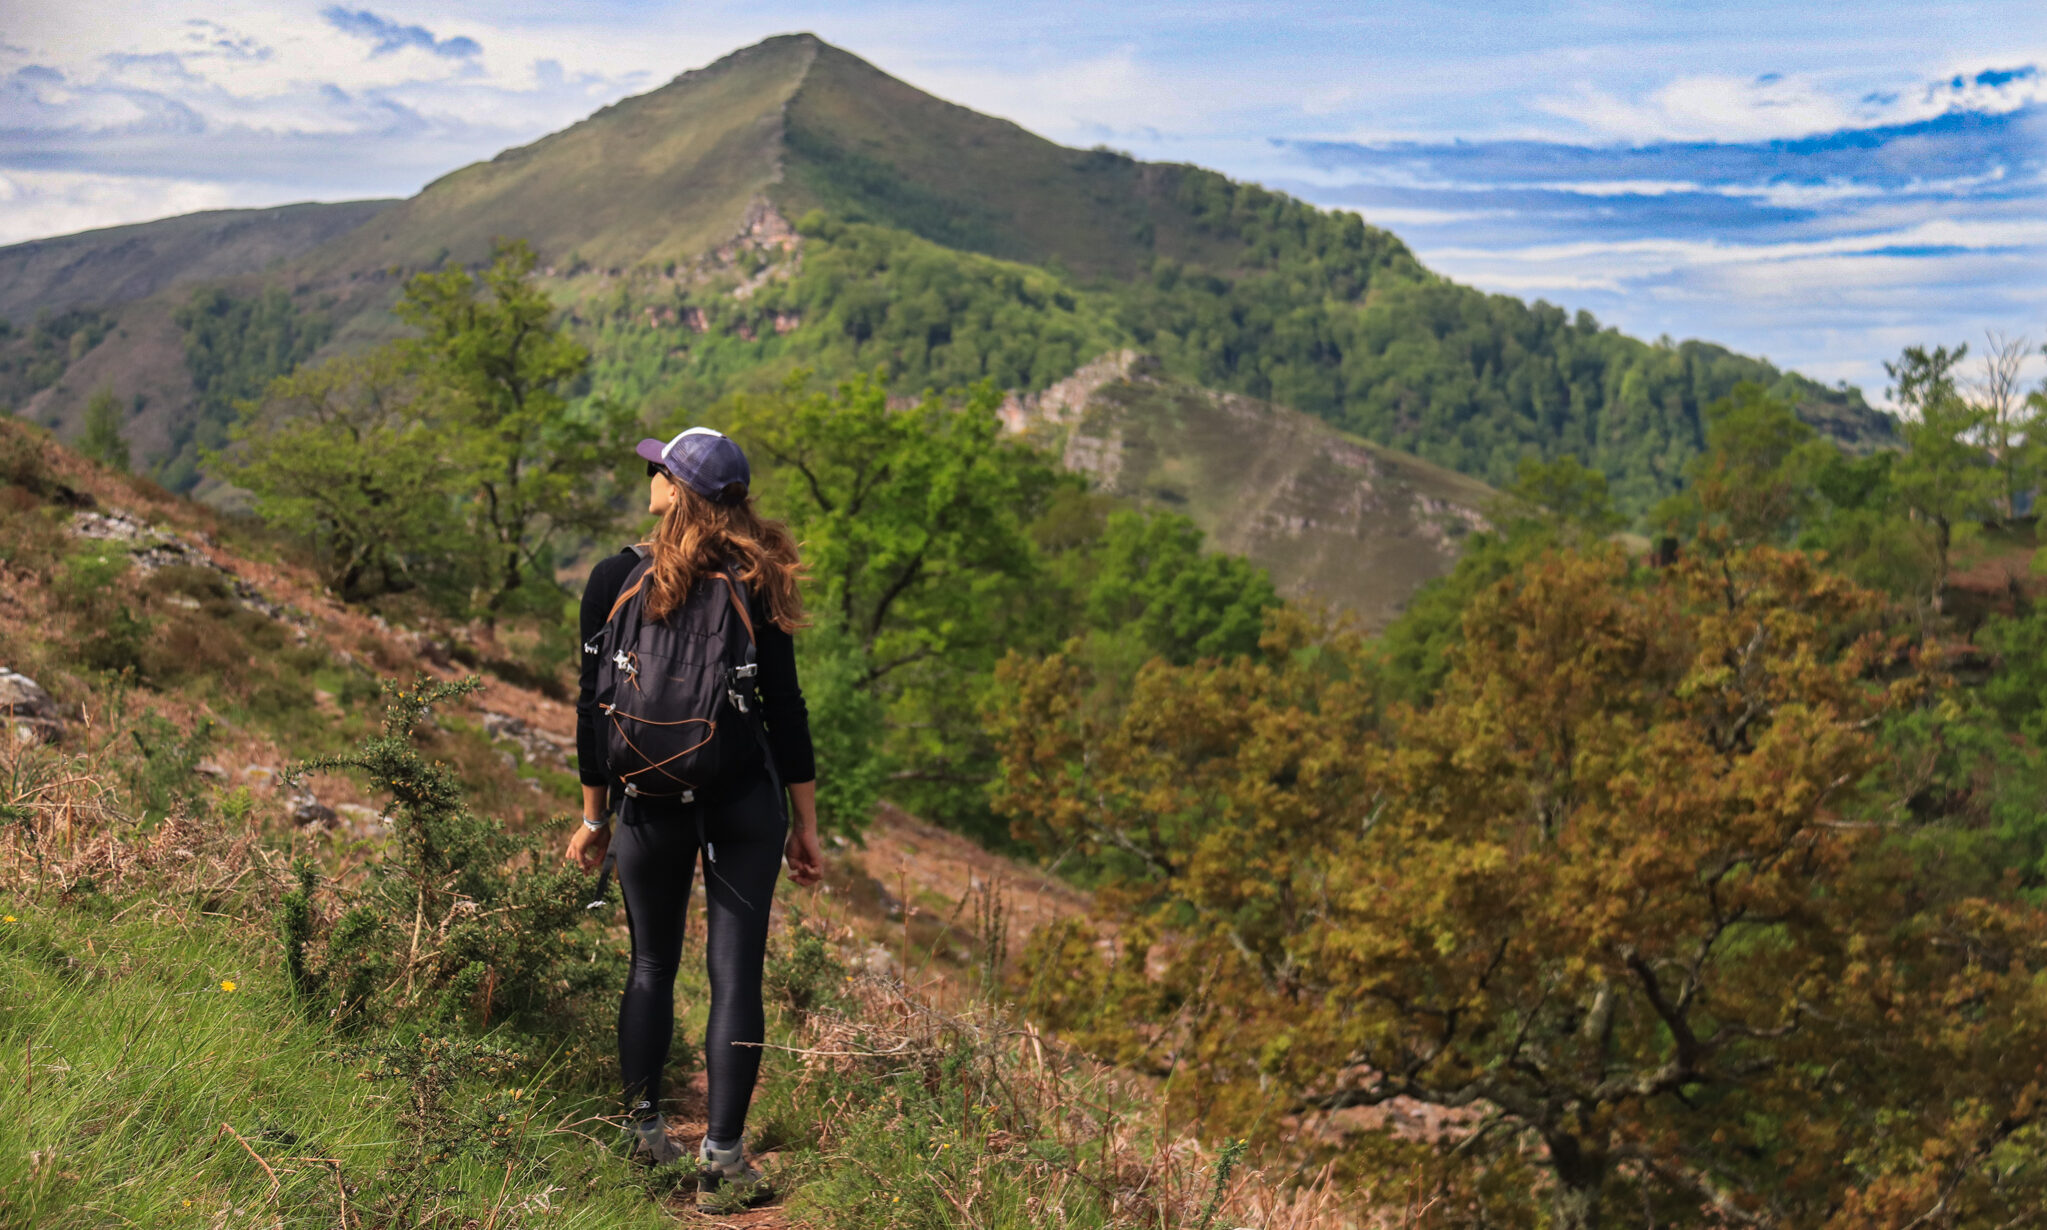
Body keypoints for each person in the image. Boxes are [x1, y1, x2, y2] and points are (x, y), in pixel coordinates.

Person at [565, 426, 824, 1204]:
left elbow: (592, 708)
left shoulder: (615, 577)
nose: (648, 476)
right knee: (735, 973)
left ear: (679, 492)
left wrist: (594, 817)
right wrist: (805, 823)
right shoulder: (759, 581)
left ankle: (643, 1137)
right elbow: (786, 710)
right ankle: (722, 1162)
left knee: (650, 965)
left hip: (648, 802)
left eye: (658, 469)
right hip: (742, 802)